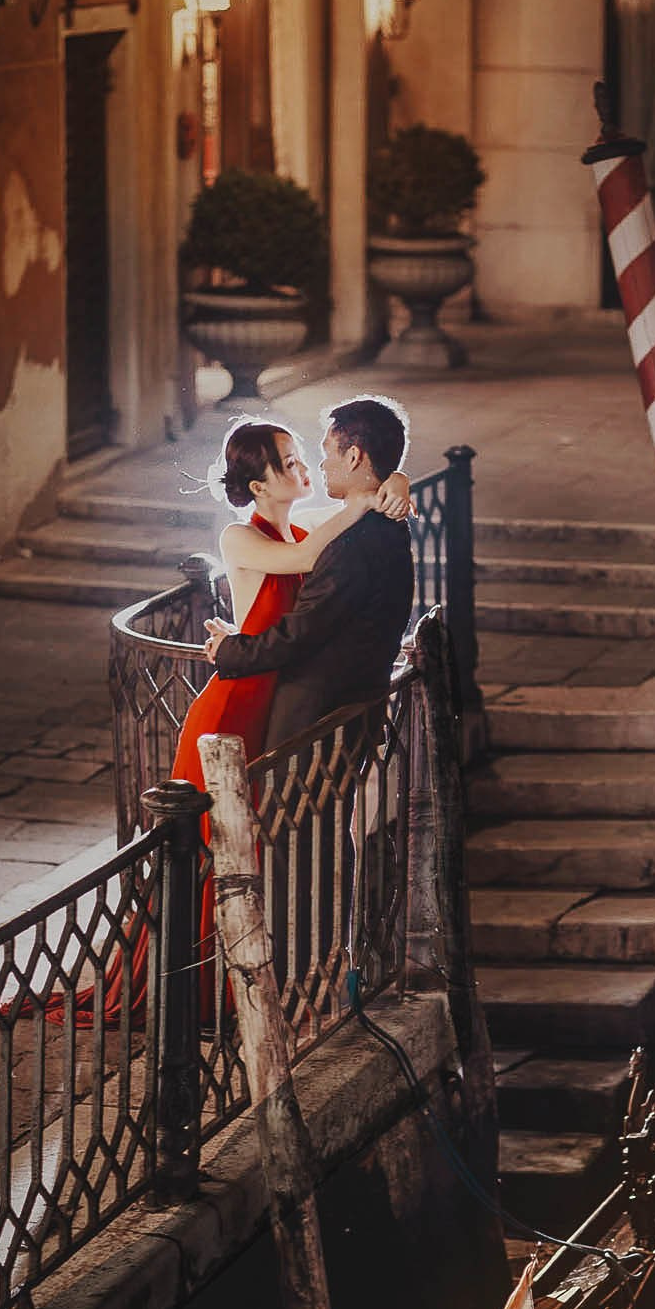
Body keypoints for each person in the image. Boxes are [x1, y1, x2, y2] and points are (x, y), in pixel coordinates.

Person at [204, 395, 416, 1001]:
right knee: (268, 843)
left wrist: (391, 480)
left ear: (354, 453)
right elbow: (309, 558)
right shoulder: (293, 534)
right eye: (294, 460)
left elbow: (303, 628)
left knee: (296, 851)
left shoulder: (336, 536)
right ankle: (289, 976)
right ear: (258, 482)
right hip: (256, 701)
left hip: (305, 710)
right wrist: (383, 486)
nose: (311, 468)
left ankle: (296, 982)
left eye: (317, 455)